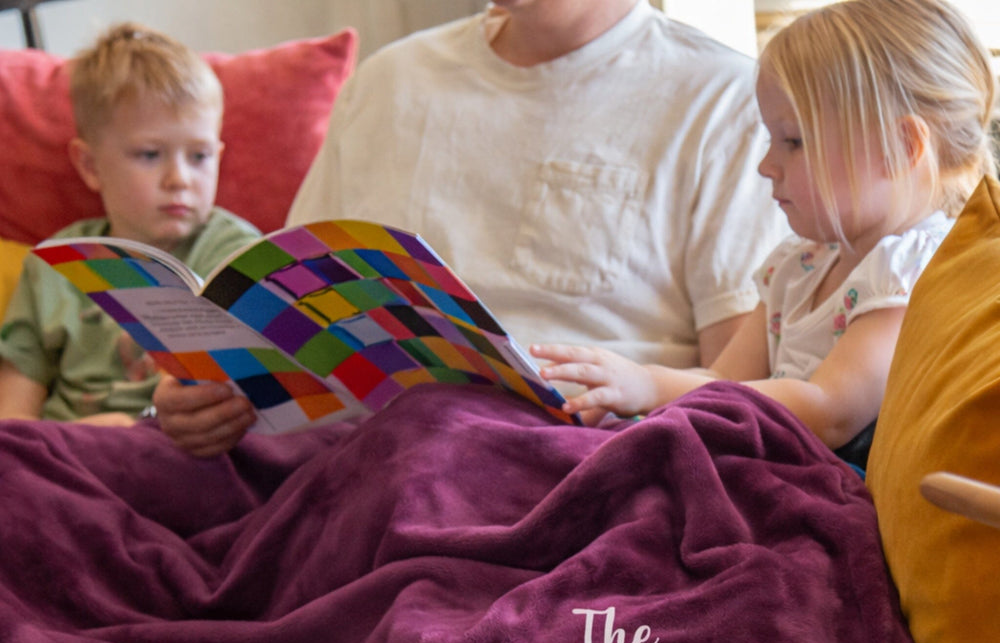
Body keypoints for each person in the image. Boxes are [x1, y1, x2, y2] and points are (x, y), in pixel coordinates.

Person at [151, 0, 789, 457]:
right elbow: (280, 316)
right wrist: (208, 397)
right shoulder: (389, 81)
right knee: (65, 479)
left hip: (569, 465)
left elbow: (740, 389)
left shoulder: (725, 99)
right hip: (348, 459)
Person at [532, 0, 997, 466]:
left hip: (828, 488)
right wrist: (638, 405)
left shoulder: (912, 270)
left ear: (902, 147)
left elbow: (828, 410)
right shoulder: (798, 266)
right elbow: (723, 384)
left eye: (793, 141)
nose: (765, 165)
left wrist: (653, 384)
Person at [0, 23, 260, 426]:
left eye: (200, 156)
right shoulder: (52, 266)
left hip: (197, 448)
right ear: (89, 165)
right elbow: (13, 420)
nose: (180, 179)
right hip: (75, 453)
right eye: (150, 154)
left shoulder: (239, 252)